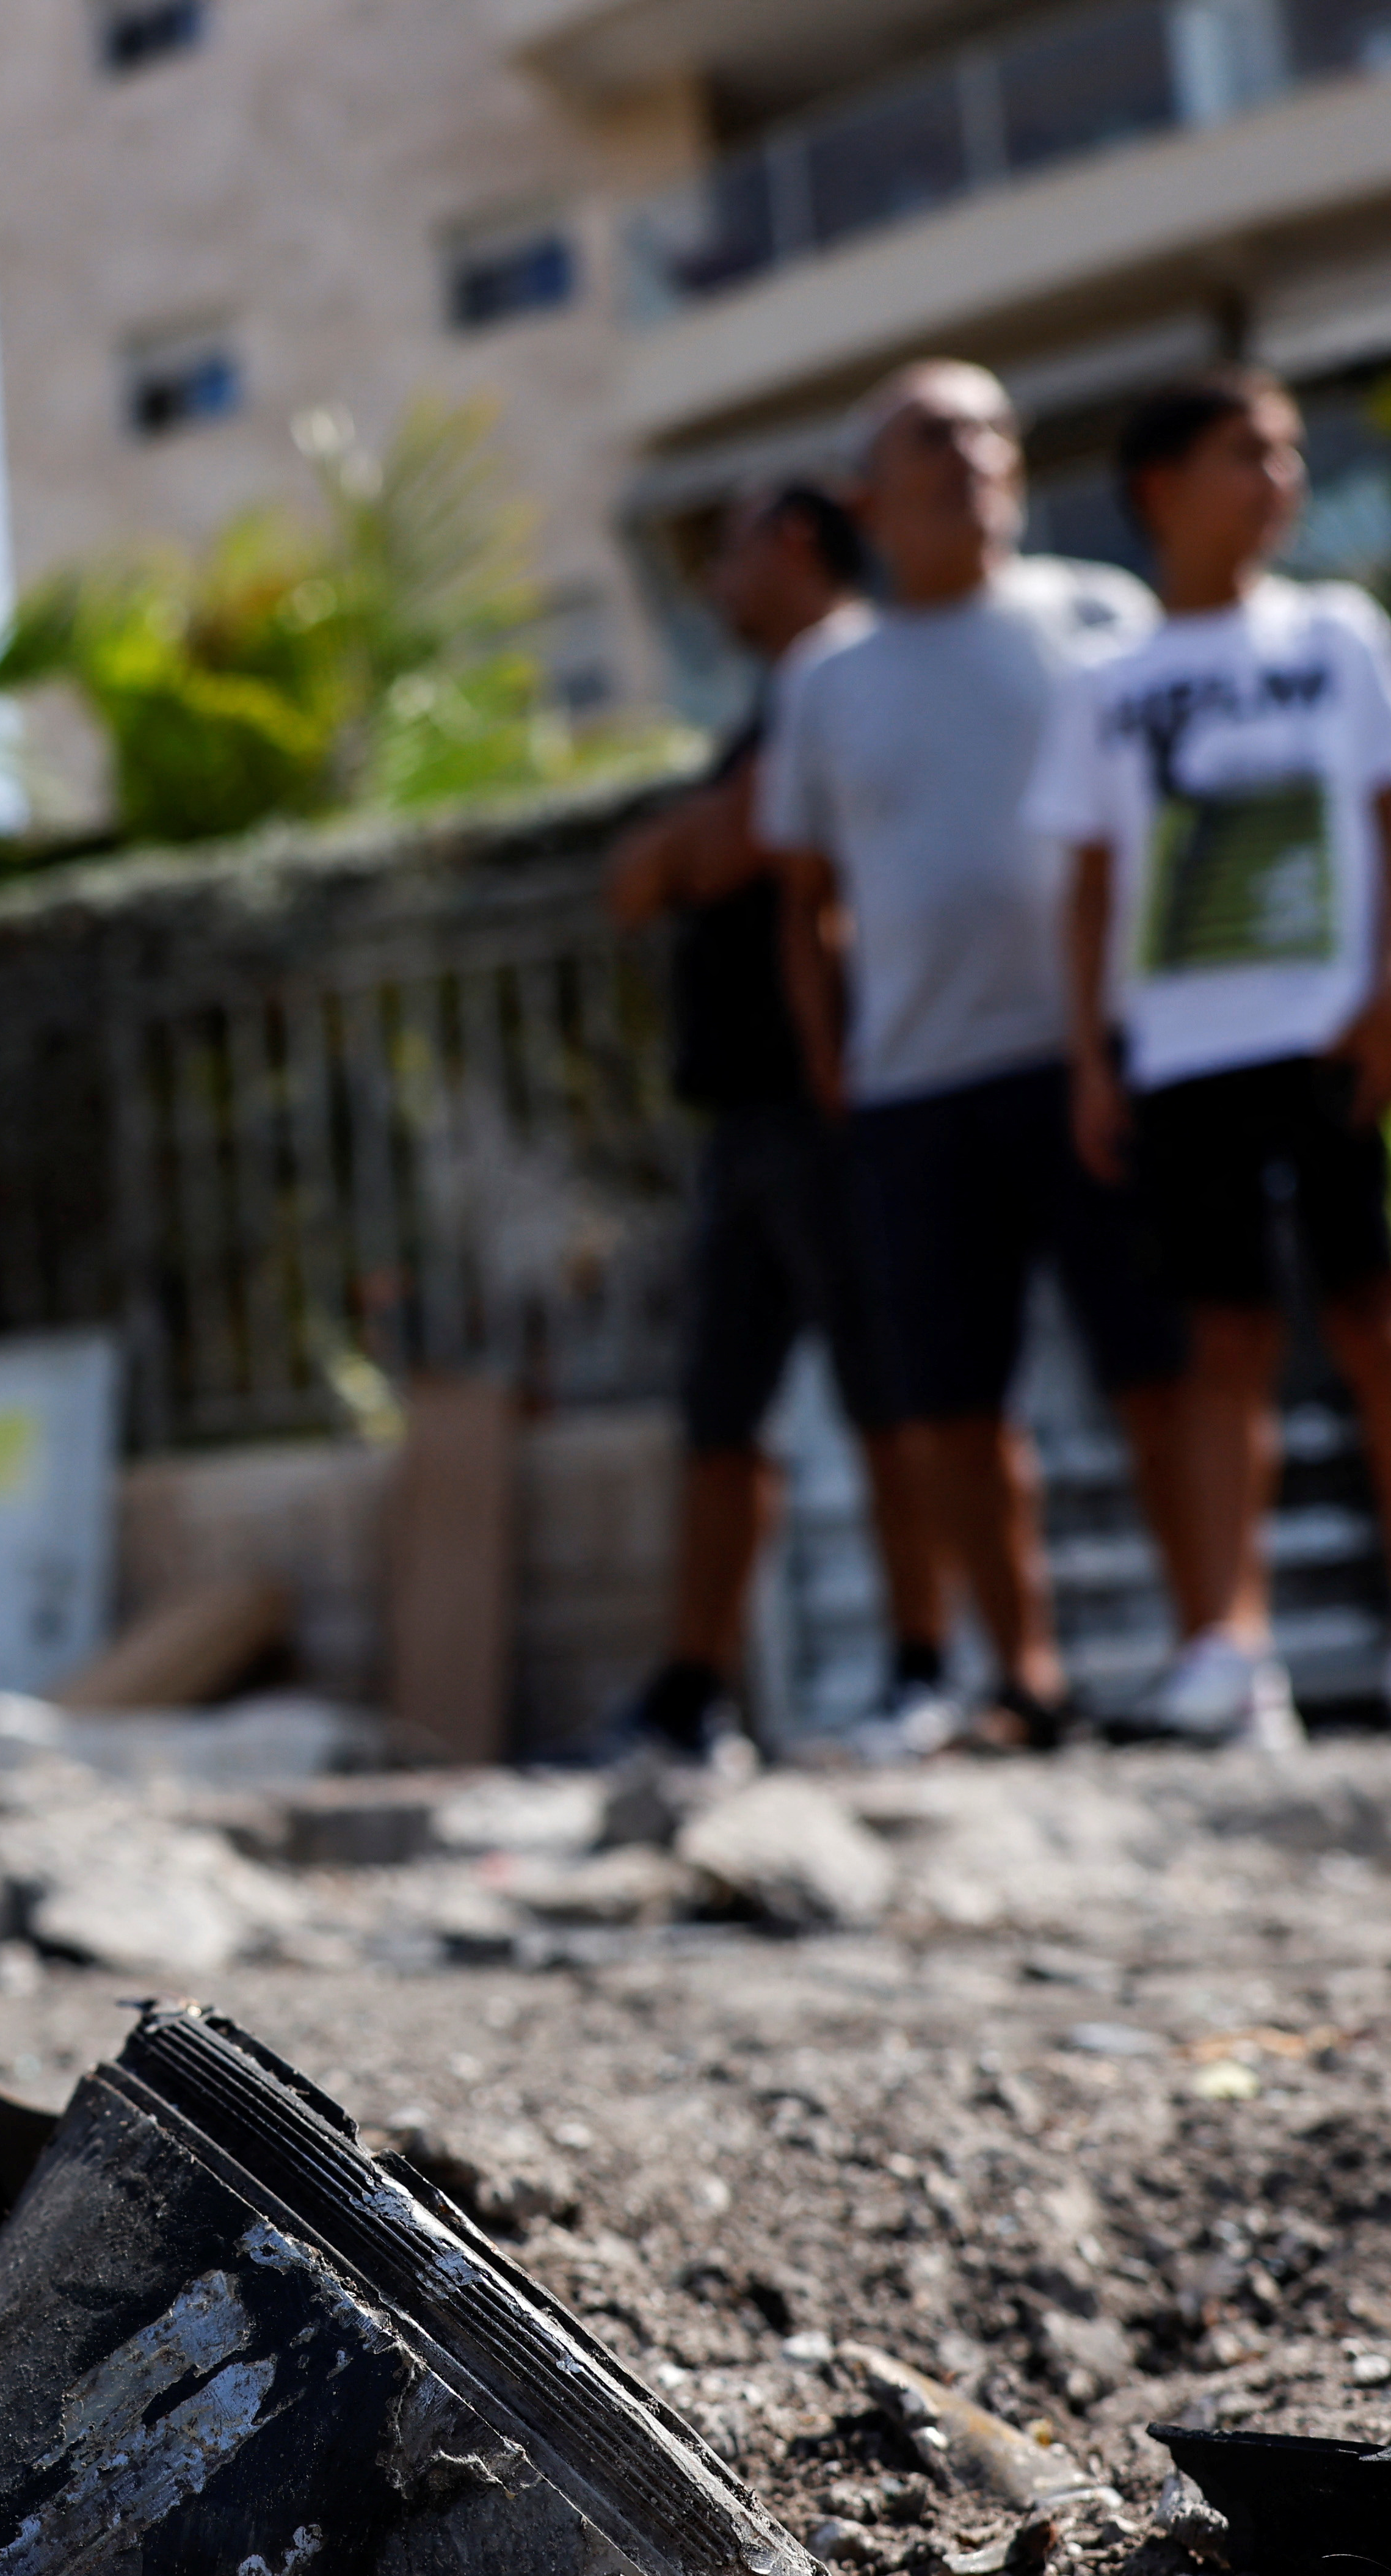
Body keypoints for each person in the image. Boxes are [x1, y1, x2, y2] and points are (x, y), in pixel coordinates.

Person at [1036, 365, 1391, 1745]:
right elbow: (1089, 882)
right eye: (1249, 452)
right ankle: (1226, 1650)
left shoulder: (1338, 633)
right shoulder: (1105, 684)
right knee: (1219, 1342)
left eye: (1290, 453)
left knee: (1378, 1314)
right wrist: (1091, 1058)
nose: (1281, 480)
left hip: (1332, 1035)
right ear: (1160, 487)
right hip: (1183, 1058)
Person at [753, 361, 1200, 1748]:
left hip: (1097, 1062)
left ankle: (1217, 1653)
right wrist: (833, 1060)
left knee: (1158, 1367)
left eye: (992, 431)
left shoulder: (1101, 619)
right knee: (954, 1399)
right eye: (933, 437)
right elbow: (802, 899)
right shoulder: (827, 680)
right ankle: (1024, 1679)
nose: (972, 456)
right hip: (915, 1088)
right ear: (869, 497)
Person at [603, 483, 953, 1758]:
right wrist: (693, 843)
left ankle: (925, 1663)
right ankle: (690, 1692)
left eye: (732, 550)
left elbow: (735, 847)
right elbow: (640, 879)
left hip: (842, 1100)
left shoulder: (853, 683)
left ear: (796, 542)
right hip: (746, 1119)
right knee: (721, 1415)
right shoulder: (772, 710)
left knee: (890, 1399)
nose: (714, 585)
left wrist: (698, 844)